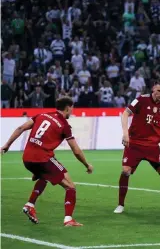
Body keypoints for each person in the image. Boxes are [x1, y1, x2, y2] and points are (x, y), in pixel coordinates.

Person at [1, 97, 94, 226]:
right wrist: (86, 164)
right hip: (43, 159)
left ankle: (30, 204)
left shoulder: (42, 115)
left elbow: (20, 128)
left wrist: (6, 145)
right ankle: (68, 219)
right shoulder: (64, 125)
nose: (72, 112)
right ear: (67, 108)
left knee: (44, 177)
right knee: (70, 187)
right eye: (72, 109)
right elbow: (76, 150)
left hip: (27, 158)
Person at [114, 80, 160, 214]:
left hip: (152, 147)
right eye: (159, 91)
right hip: (134, 144)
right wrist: (125, 134)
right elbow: (125, 113)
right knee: (125, 171)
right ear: (153, 89)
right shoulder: (141, 100)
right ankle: (120, 204)